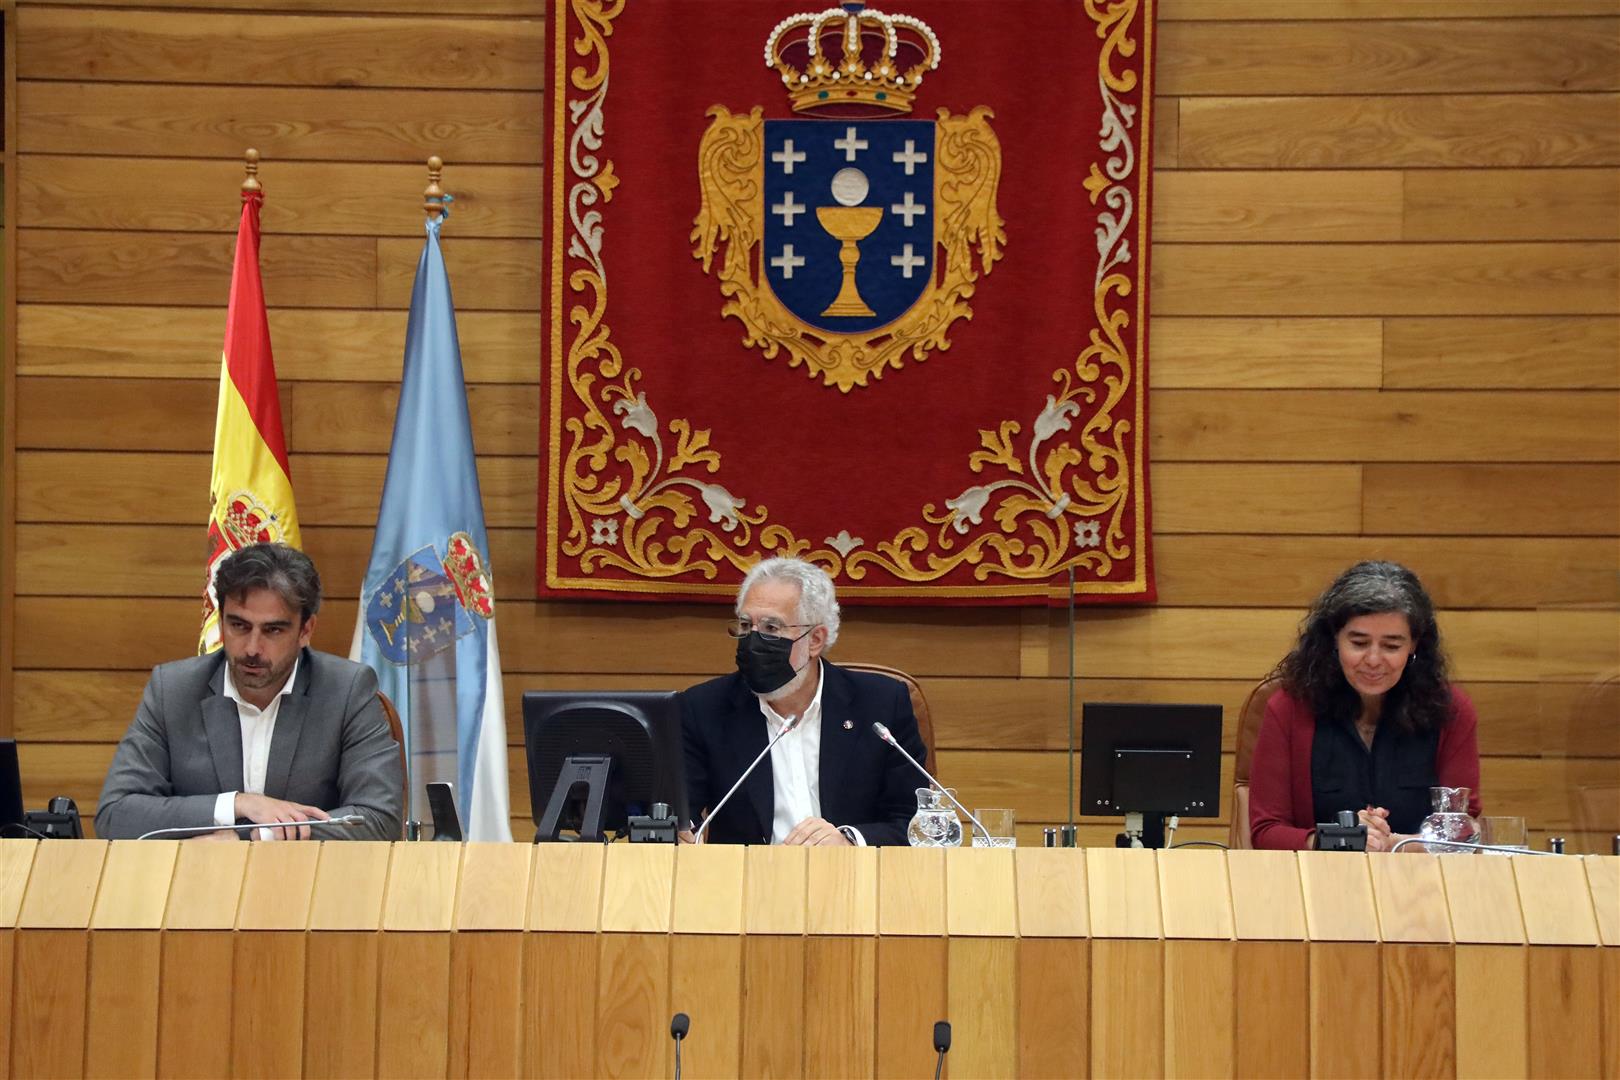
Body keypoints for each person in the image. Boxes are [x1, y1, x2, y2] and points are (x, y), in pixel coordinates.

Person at [96, 543, 403, 841]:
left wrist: (255, 837)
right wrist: (237, 804)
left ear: (306, 630)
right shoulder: (173, 691)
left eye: (273, 630)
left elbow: (376, 819)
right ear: (221, 620)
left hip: (308, 885)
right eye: (239, 626)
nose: (252, 649)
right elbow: (116, 814)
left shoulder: (346, 691)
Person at [679, 557, 928, 846]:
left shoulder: (882, 705)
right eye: (747, 625)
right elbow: (682, 814)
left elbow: (915, 821)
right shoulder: (705, 708)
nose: (754, 641)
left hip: (855, 880)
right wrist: (681, 832)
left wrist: (850, 841)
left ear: (815, 640)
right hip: (748, 882)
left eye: (772, 628)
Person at [1249, 560, 1481, 851]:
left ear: (1414, 646)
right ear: (1334, 640)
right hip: (1314, 885)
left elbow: (1463, 830)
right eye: (1359, 643)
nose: (1373, 660)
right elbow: (1266, 832)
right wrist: (1338, 840)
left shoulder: (1452, 711)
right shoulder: (1288, 709)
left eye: (1391, 646)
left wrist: (1393, 844)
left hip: (1421, 885)